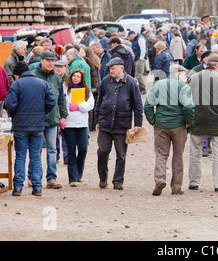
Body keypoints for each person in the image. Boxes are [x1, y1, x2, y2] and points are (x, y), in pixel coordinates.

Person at [6, 61, 57, 196]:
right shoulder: (42, 83)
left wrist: (14, 115)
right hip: (37, 125)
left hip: (20, 125)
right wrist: (41, 113)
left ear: (18, 75)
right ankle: (37, 187)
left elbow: (10, 104)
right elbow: (52, 102)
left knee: (20, 156)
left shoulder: (17, 84)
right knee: (35, 156)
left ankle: (18, 187)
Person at [144, 64, 195, 196]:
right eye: (184, 74)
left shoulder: (157, 85)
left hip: (161, 125)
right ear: (179, 74)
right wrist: (189, 123)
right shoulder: (183, 87)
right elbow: (189, 107)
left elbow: (148, 105)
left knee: (161, 154)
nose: (186, 77)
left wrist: (153, 121)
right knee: (178, 156)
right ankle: (176, 187)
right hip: (179, 126)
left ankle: (159, 179)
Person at [187, 53, 218, 192]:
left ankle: (193, 182)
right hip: (217, 119)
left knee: (195, 151)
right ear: (217, 65)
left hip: (197, 118)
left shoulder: (193, 78)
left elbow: (185, 99)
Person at [95, 57, 143, 190]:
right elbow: (99, 102)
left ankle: (118, 181)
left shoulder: (131, 82)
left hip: (122, 124)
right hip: (105, 123)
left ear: (121, 68)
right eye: (110, 68)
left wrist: (138, 123)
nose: (111, 70)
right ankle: (103, 177)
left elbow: (138, 104)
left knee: (121, 154)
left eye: (113, 68)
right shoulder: (106, 81)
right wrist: (97, 120)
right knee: (103, 151)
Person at [33, 51, 68, 190]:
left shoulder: (56, 78)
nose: (51, 63)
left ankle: (51, 178)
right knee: (36, 150)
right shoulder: (34, 75)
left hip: (53, 119)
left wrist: (63, 114)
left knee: (52, 150)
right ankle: (33, 177)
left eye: (52, 61)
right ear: (41, 61)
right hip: (37, 119)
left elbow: (61, 99)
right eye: (48, 60)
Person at [62, 69, 95, 187]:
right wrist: (62, 118)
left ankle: (79, 173)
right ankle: (72, 178)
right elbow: (62, 103)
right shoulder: (65, 88)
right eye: (74, 76)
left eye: (78, 76)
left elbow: (91, 104)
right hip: (69, 123)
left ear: (82, 79)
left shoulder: (86, 90)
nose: (75, 78)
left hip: (82, 124)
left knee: (83, 149)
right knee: (71, 150)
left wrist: (79, 106)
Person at [54, 60, 68, 164]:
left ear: (65, 68)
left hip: (65, 109)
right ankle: (56, 154)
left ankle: (66, 155)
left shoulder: (69, 80)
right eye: (57, 67)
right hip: (54, 110)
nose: (59, 69)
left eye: (61, 67)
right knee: (54, 134)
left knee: (65, 133)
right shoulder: (53, 78)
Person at [127, 30, 148, 95]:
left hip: (139, 59)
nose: (131, 38)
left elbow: (143, 49)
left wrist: (141, 58)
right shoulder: (137, 39)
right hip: (137, 58)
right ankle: (140, 88)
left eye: (130, 36)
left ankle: (143, 88)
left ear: (133, 34)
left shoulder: (140, 39)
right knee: (137, 74)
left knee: (138, 74)